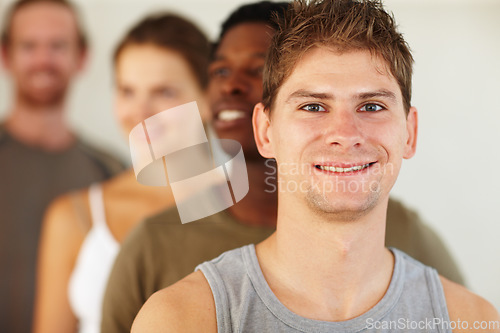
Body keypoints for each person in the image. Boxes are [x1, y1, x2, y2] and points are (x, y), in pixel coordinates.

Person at [132, 0, 500, 331]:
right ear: (265, 131)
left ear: (410, 133)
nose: (344, 133)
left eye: (371, 106)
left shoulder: (471, 321)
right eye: (313, 106)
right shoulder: (180, 320)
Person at [31, 13, 211, 333]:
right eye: (127, 91)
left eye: (164, 92)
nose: (140, 112)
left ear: (211, 97)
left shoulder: (256, 207)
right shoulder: (74, 216)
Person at [0, 1, 124, 332]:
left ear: (81, 57)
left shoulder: (113, 173)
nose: (43, 59)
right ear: (5, 56)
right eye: (29, 46)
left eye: (58, 46)